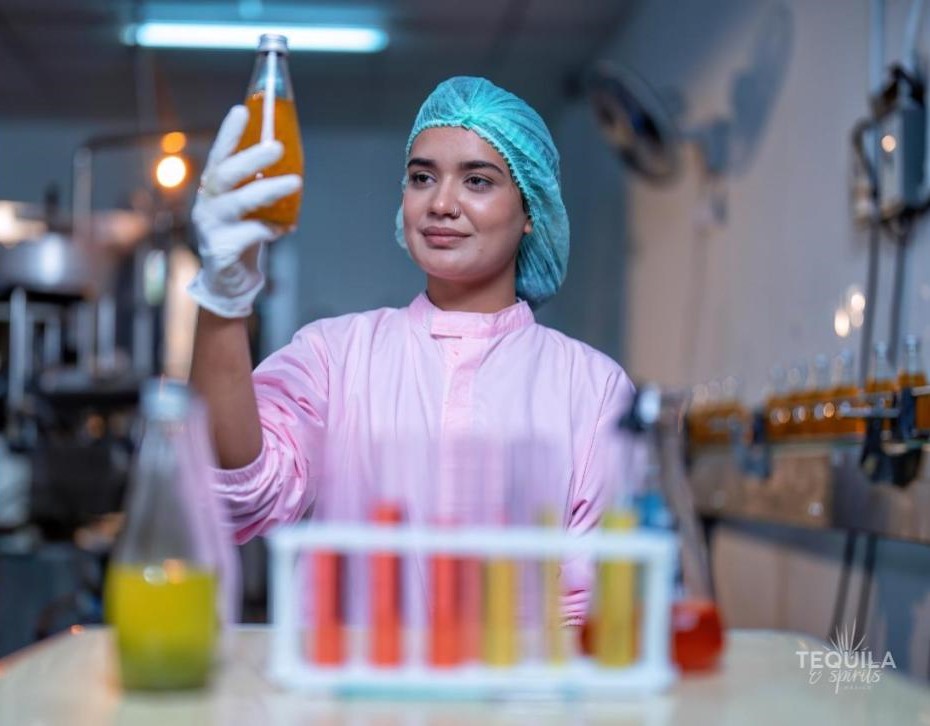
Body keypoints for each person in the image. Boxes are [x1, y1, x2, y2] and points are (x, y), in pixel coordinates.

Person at [188, 76, 636, 625]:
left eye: (478, 180)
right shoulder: (335, 355)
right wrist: (222, 302)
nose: (441, 203)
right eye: (422, 177)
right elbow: (237, 495)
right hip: (345, 701)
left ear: (530, 212)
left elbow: (591, 609)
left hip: (517, 704)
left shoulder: (591, 388)